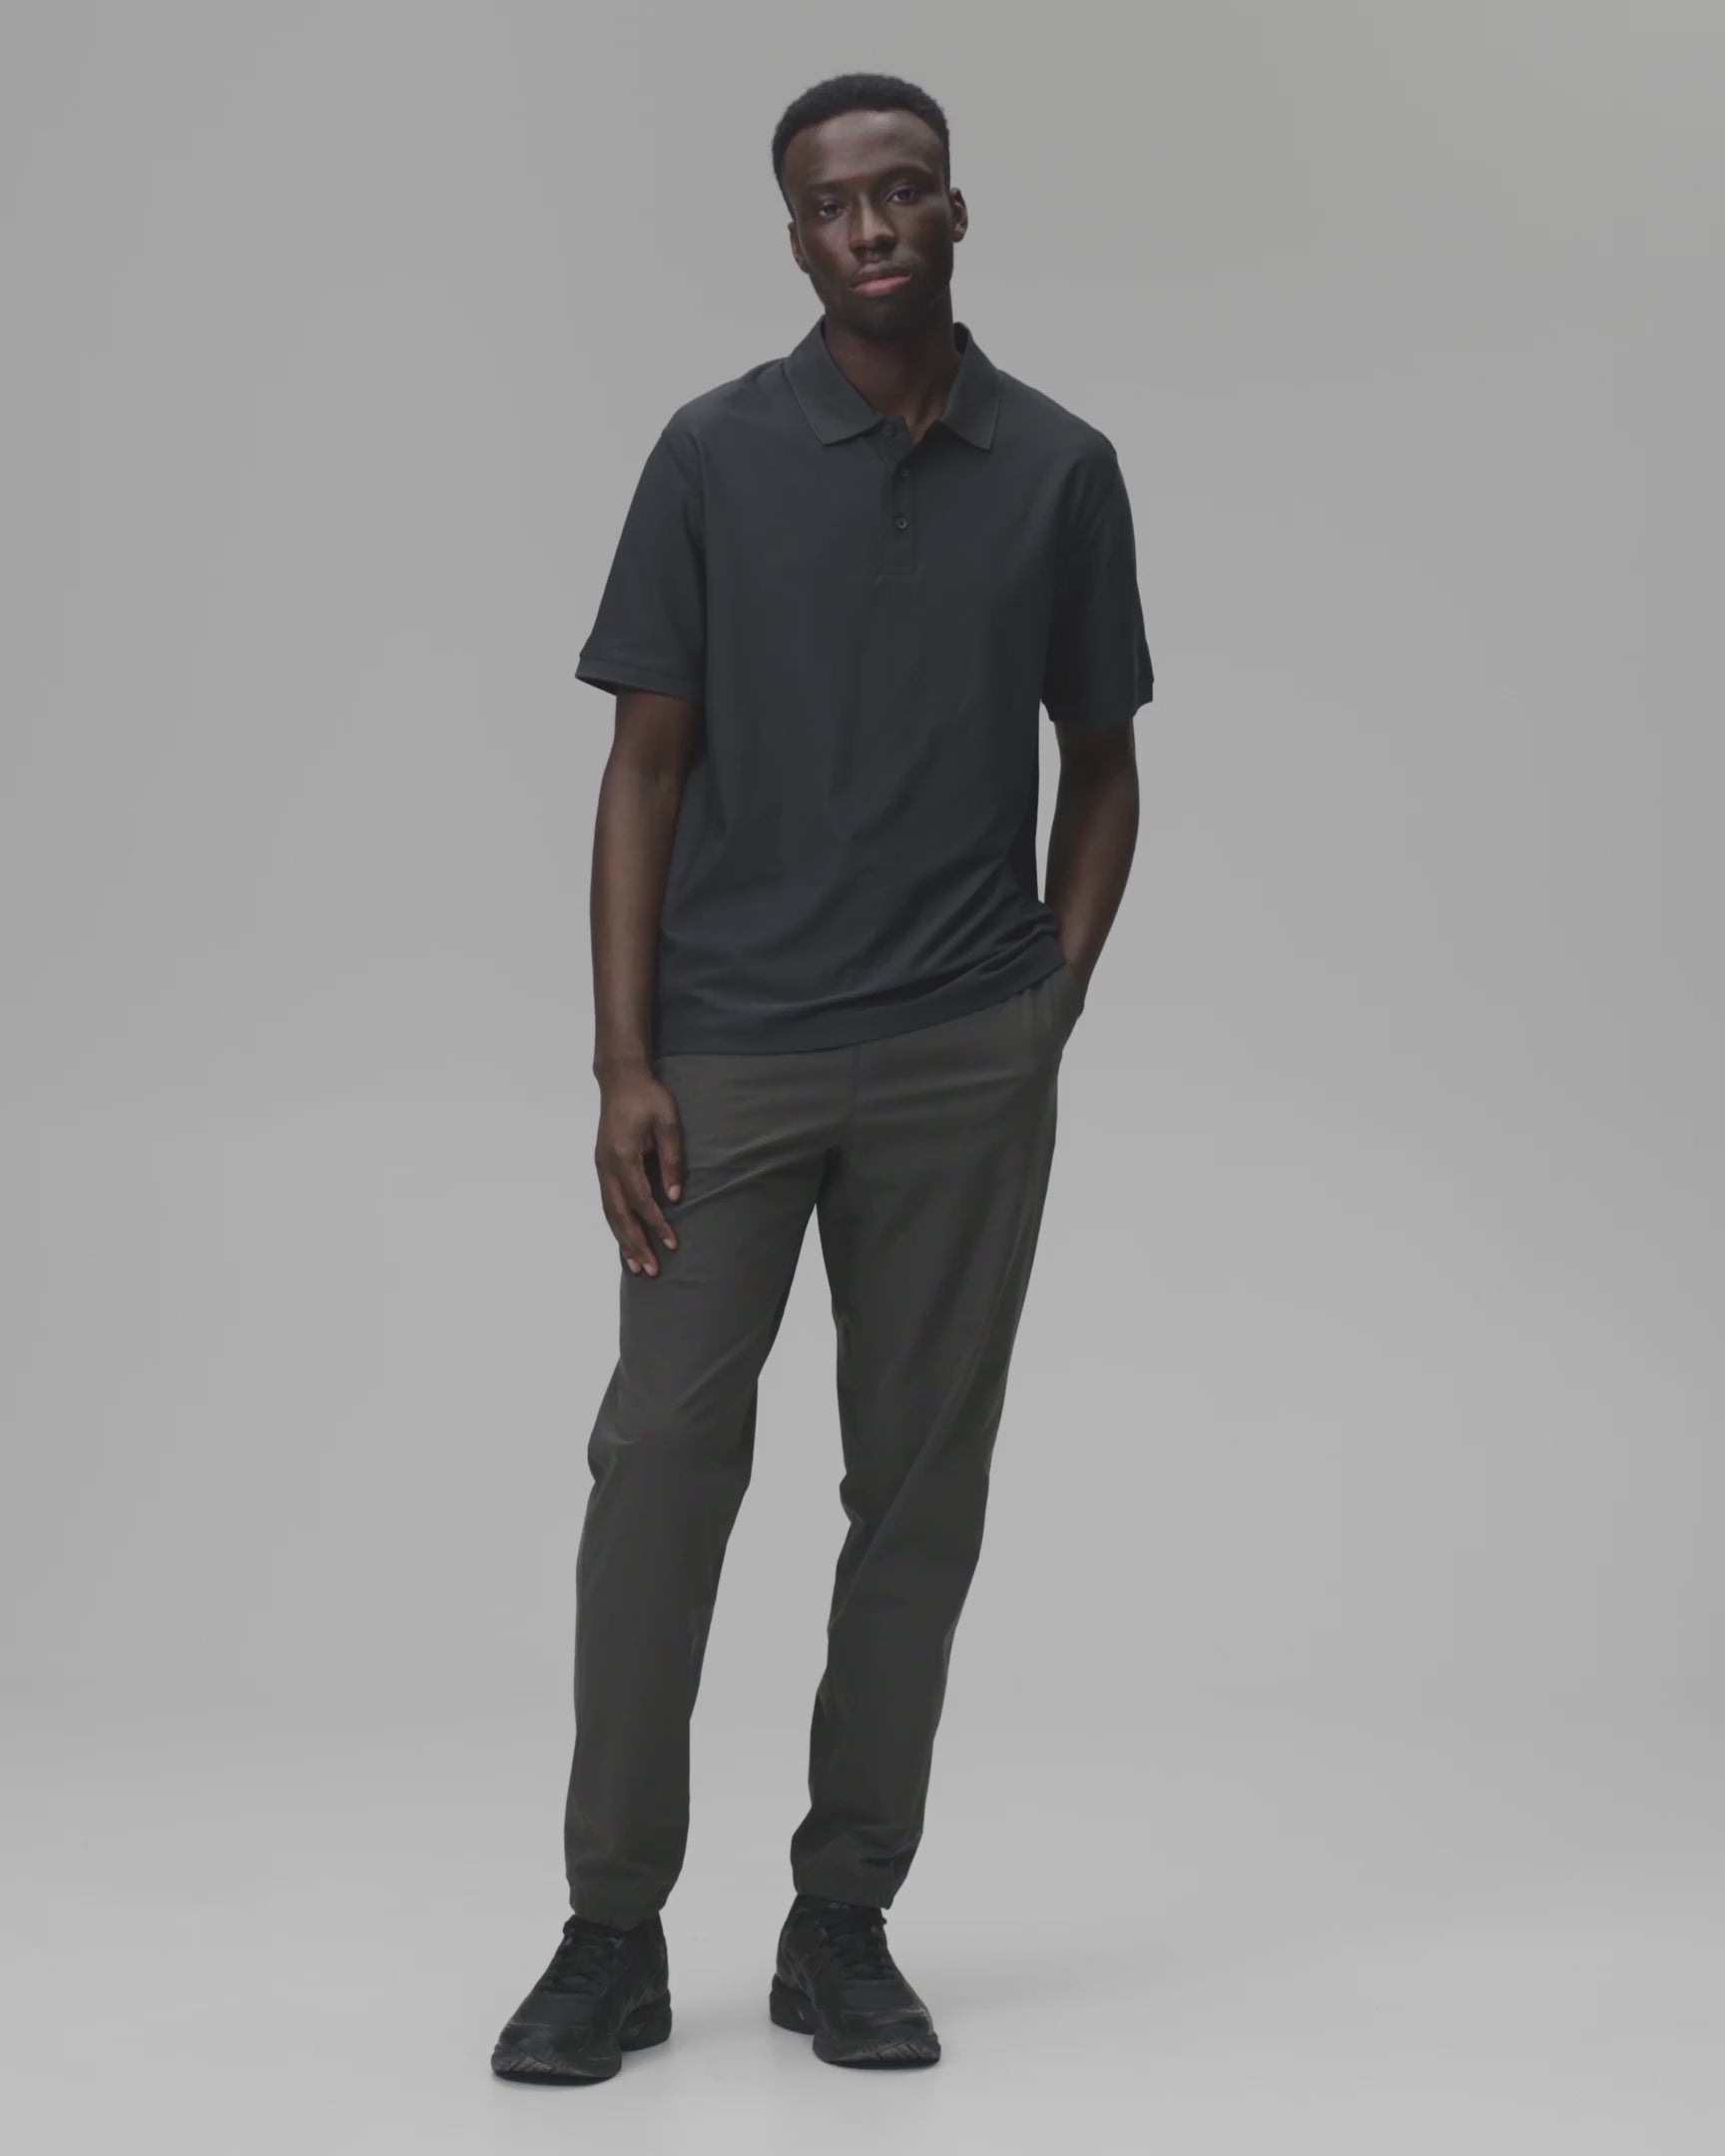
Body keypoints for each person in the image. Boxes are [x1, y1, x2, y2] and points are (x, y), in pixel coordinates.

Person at [491, 68, 1153, 2082]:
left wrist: (1042, 1006)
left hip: (963, 1060)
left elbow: (1104, 765)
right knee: (661, 1468)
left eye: (903, 190)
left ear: (956, 210)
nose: (872, 225)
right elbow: (644, 771)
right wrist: (623, 1060)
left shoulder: (1060, 469)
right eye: (834, 204)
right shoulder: (713, 454)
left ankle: (842, 1916)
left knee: (918, 1493)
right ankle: (610, 1931)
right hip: (731, 1055)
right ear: (795, 239)